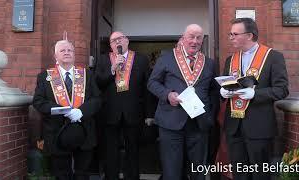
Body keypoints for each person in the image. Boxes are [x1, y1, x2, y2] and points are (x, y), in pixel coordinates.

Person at [147, 24, 219, 180]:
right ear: (183, 38)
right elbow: (152, 83)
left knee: (198, 171)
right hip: (171, 123)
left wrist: (210, 115)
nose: (195, 41)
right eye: (191, 37)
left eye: (199, 37)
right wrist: (167, 95)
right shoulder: (166, 58)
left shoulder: (209, 63)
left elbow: (214, 91)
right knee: (172, 171)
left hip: (199, 123)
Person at [220, 18, 289, 180]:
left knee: (260, 174)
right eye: (230, 34)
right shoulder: (231, 60)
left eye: (235, 34)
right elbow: (227, 85)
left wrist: (255, 94)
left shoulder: (273, 57)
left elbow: (282, 89)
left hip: (259, 127)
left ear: (249, 35)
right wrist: (223, 93)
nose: (231, 37)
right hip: (234, 127)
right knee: (240, 174)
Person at [33, 40, 101, 180]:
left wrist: (81, 111)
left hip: (84, 132)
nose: (67, 53)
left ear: (74, 55)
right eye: (62, 50)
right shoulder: (45, 76)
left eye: (69, 50)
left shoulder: (87, 75)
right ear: (55, 56)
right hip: (56, 132)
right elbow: (38, 102)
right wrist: (62, 109)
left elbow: (97, 99)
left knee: (82, 173)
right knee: (61, 174)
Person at [95, 31, 151, 180]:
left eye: (120, 39)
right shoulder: (103, 60)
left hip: (133, 112)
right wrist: (112, 69)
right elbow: (97, 83)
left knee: (132, 149)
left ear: (127, 41)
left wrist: (149, 114)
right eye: (114, 40)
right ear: (111, 45)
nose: (117, 42)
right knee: (110, 151)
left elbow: (147, 87)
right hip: (109, 113)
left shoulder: (141, 59)